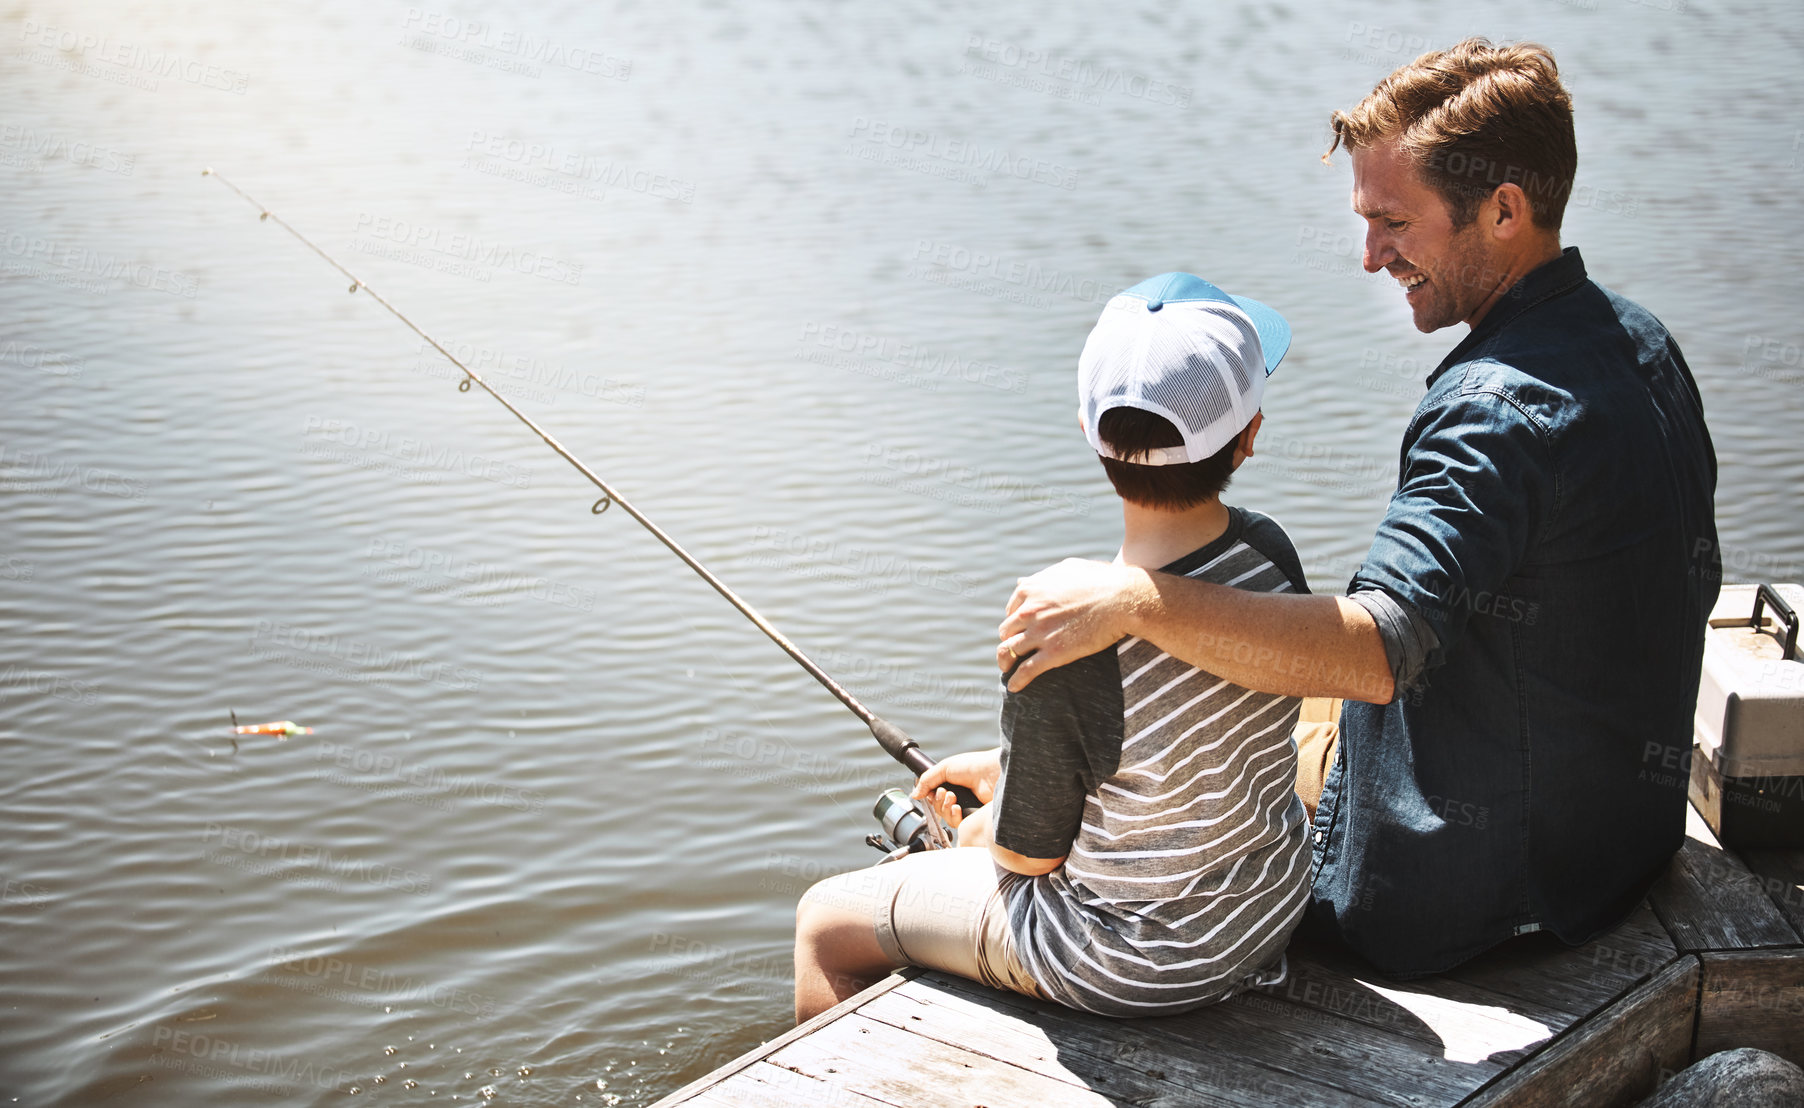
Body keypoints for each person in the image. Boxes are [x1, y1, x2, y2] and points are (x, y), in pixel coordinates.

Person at [995, 39, 1720, 976]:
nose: (1372, 256)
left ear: (1505, 211)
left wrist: (1132, 599)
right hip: (1618, 840)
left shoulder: (1491, 411)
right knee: (1252, 731)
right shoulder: (1638, 340)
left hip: (1473, 897)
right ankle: (1019, 777)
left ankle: (1015, 810)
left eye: (1394, 222)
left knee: (1085, 799)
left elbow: (1375, 653)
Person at [793, 272, 1315, 1021]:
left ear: (1087, 431)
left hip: (1134, 962)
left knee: (825, 920)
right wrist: (1012, 766)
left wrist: (985, 826)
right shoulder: (1269, 555)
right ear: (1250, 436)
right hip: (1265, 912)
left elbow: (1029, 859)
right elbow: (1180, 741)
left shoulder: (1061, 634)